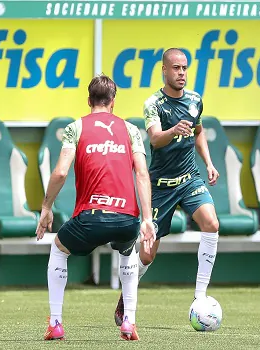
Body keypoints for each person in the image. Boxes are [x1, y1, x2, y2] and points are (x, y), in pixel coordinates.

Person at [36, 74, 156, 341]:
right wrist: (147, 219)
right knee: (127, 251)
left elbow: (60, 173)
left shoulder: (75, 127)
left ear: (89, 100)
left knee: (59, 249)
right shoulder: (130, 130)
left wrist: (46, 207)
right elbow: (142, 174)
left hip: (90, 218)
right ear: (113, 102)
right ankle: (129, 323)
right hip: (127, 219)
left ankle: (55, 323)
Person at [114, 48, 220, 326]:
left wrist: (208, 163)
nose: (181, 73)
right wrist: (174, 130)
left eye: (184, 68)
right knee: (147, 254)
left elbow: (198, 132)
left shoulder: (196, 100)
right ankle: (126, 297)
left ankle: (200, 297)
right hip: (161, 186)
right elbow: (155, 140)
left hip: (190, 178)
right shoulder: (154, 103)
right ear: (164, 70)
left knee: (211, 223)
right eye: (176, 68)